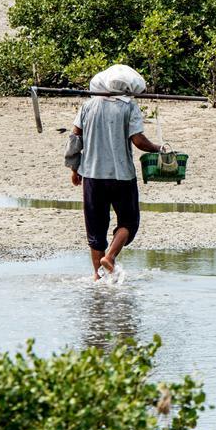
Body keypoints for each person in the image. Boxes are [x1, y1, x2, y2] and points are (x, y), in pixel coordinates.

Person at [65, 65, 162, 280]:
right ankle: (109, 257)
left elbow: (74, 139)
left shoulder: (88, 106)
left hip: (92, 174)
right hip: (122, 176)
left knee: (95, 229)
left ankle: (97, 277)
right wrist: (158, 148)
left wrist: (74, 168)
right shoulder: (129, 108)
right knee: (129, 222)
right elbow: (138, 141)